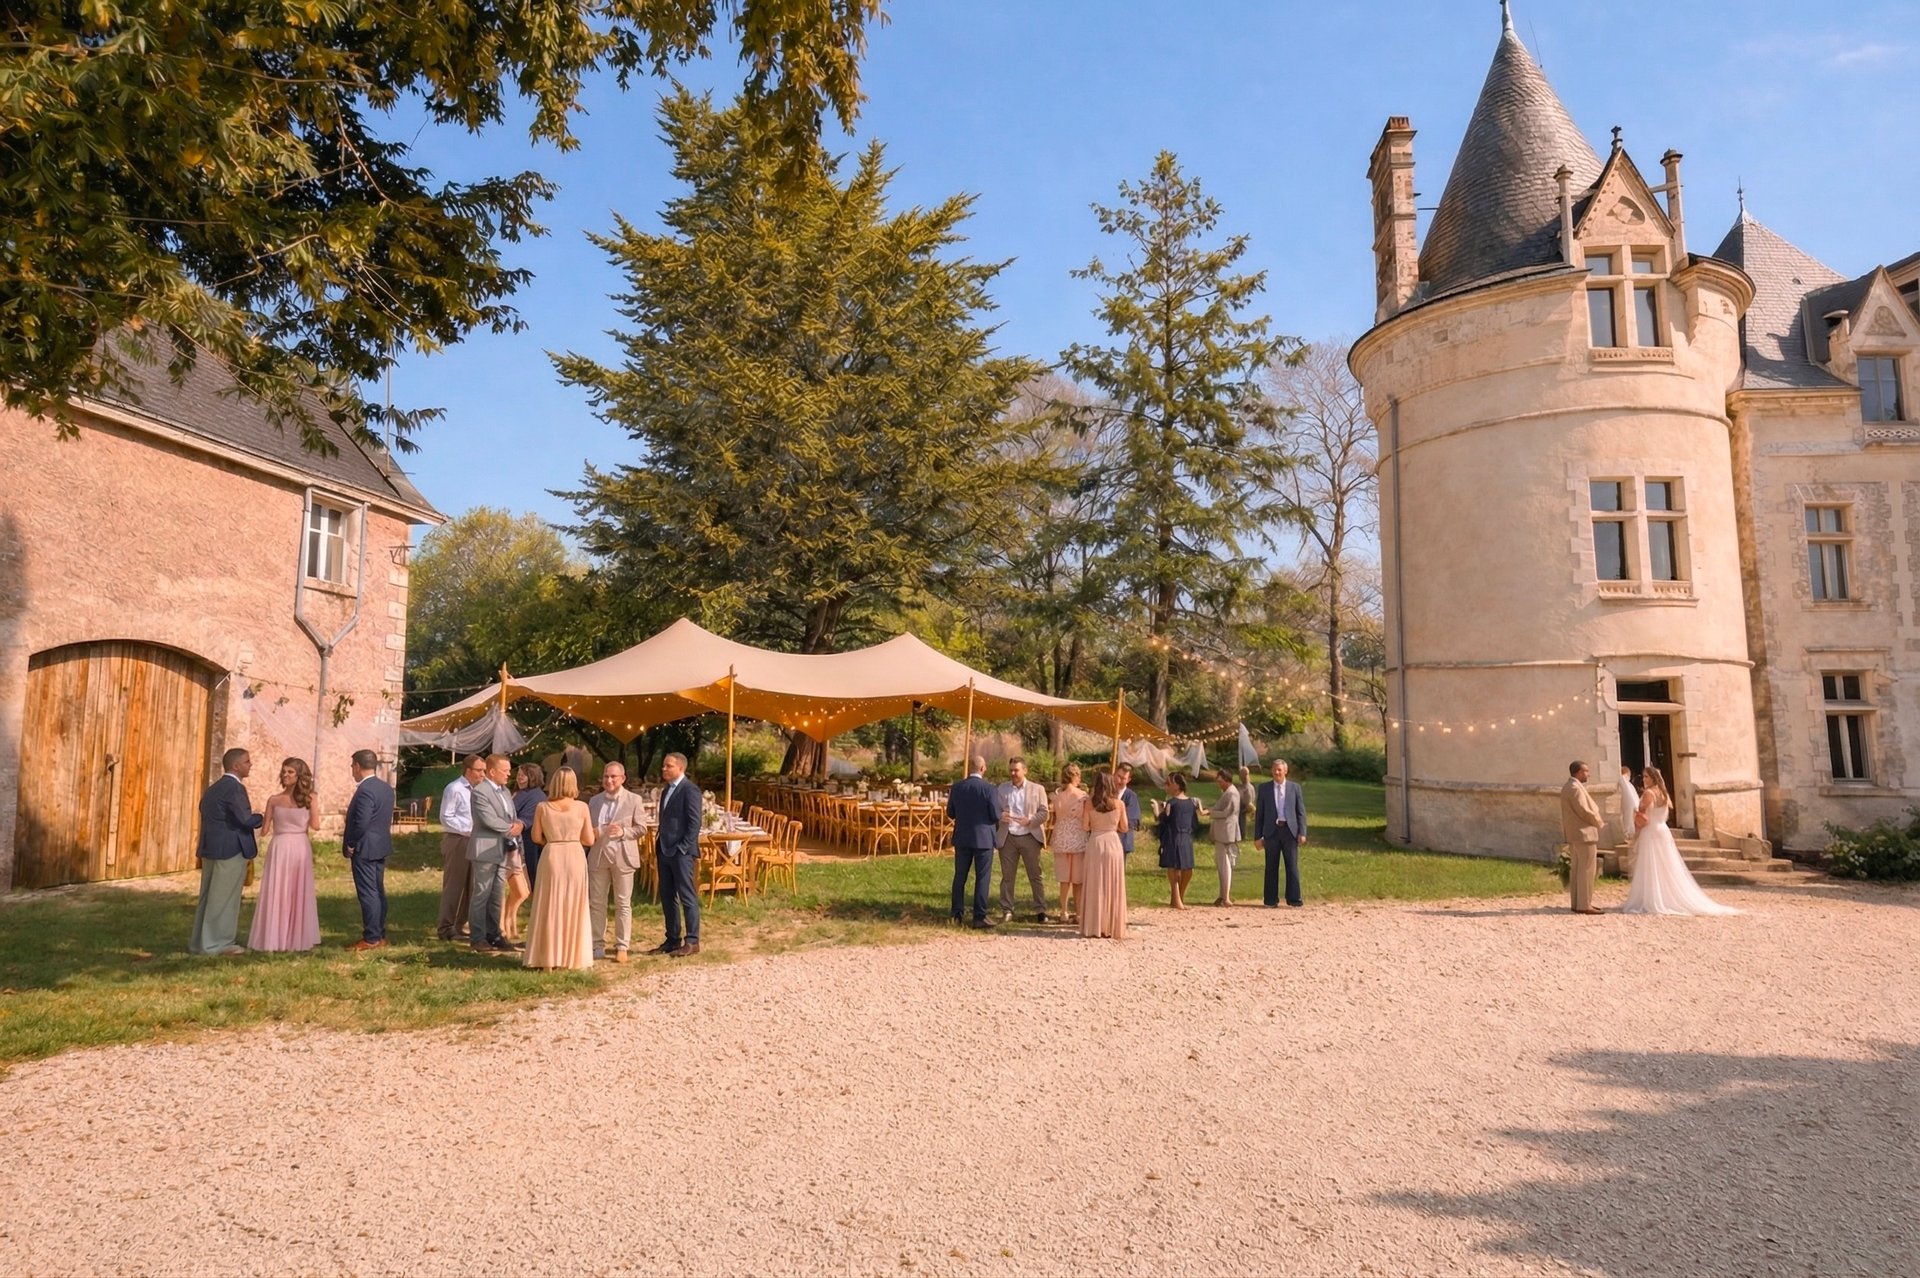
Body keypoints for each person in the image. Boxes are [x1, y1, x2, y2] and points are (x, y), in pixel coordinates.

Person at [1621, 766, 1739, 917]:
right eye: (1643, 777)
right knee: (1665, 865)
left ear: (1653, 778)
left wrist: (1635, 817)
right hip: (1662, 830)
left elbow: (1644, 818)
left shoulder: (1648, 793)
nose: (1644, 780)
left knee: (1652, 864)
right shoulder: (1663, 793)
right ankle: (1664, 895)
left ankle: (1654, 898)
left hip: (1651, 832)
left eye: (1646, 777)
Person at [189, 748, 262, 955]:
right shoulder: (235, 789)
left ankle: (200, 942)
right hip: (230, 849)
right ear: (235, 766)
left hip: (211, 848)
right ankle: (218, 943)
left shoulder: (214, 788)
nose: (251, 764)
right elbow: (245, 819)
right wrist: (263, 817)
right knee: (224, 899)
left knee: (208, 897)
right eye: (247, 761)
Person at [523, 766, 597, 969]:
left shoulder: (542, 807)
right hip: (574, 854)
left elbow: (536, 837)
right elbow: (589, 839)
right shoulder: (582, 807)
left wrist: (552, 837)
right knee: (574, 904)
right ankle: (570, 958)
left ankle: (547, 959)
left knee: (549, 904)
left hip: (552, 853)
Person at [247, 757, 321, 952]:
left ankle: (293, 936)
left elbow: (316, 825)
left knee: (296, 889)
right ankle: (277, 936)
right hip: (283, 845)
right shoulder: (274, 799)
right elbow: (264, 830)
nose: (285, 775)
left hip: (295, 847)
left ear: (299, 776)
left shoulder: (310, 798)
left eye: (290, 772)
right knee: (278, 889)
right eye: (284, 771)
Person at [587, 762, 647, 963]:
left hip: (623, 856)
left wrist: (623, 832)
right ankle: (597, 944)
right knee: (596, 903)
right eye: (606, 776)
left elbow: (642, 828)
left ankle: (622, 945)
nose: (609, 780)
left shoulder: (634, 800)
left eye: (613, 777)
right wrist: (595, 832)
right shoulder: (594, 801)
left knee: (623, 903)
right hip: (598, 855)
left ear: (622, 778)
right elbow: (587, 831)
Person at [467, 754, 524, 953]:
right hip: (485, 849)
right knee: (482, 893)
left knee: (497, 894)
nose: (509, 773)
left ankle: (495, 934)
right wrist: (511, 828)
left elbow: (511, 814)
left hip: (502, 849)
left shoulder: (506, 791)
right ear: (492, 771)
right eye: (505, 770)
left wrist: (516, 825)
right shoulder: (480, 792)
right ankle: (477, 937)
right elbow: (487, 818)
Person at [341, 749, 394, 951]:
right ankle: (379, 934)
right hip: (380, 844)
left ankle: (371, 937)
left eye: (352, 766)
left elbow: (361, 822)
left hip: (365, 847)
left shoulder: (365, 790)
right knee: (378, 891)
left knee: (368, 893)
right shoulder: (385, 788)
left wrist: (352, 843)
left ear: (356, 766)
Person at [653, 752, 702, 957]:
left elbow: (694, 823)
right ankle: (672, 938)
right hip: (665, 850)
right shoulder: (666, 791)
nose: (664, 769)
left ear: (680, 768)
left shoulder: (690, 790)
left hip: (680, 852)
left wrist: (683, 847)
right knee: (667, 896)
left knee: (686, 895)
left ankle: (692, 940)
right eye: (664, 765)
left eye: (668, 766)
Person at [996, 757, 1051, 923]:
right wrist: (1000, 816)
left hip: (1029, 836)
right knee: (1007, 876)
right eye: (1011, 770)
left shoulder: (1037, 789)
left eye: (1016, 770)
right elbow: (994, 810)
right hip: (1008, 837)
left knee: (1035, 875)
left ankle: (1041, 910)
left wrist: (1031, 820)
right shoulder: (1002, 789)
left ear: (1025, 771)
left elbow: (1044, 812)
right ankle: (1007, 909)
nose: (1013, 773)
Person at [947, 755, 999, 929]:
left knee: (959, 876)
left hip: (962, 837)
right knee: (982, 877)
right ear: (983, 768)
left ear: (970, 768)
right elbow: (995, 814)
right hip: (983, 839)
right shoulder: (989, 789)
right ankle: (979, 915)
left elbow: (950, 813)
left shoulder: (957, 787)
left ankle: (956, 914)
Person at [1078, 768, 1130, 939]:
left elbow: (1085, 827)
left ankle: (1094, 925)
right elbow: (1125, 827)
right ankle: (1111, 925)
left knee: (1095, 884)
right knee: (1113, 884)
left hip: (1095, 843)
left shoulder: (1089, 803)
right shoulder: (1119, 804)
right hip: (1113, 843)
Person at [437, 755, 483, 940]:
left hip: (474, 841)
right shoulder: (455, 789)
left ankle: (461, 924)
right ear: (468, 770)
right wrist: (467, 830)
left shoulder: (478, 790)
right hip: (458, 839)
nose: (483, 774)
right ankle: (445, 927)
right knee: (454, 885)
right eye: (480, 770)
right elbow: (446, 816)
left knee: (471, 885)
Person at [1254, 758, 1308, 908]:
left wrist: (1302, 832)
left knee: (1291, 866)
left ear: (1285, 771)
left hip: (1289, 831)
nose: (1277, 772)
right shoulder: (1264, 788)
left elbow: (1301, 812)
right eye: (1275, 769)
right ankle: (1270, 900)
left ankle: (1294, 899)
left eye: (1280, 770)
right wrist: (1258, 837)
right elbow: (1260, 814)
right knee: (1271, 866)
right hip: (1271, 832)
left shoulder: (1294, 788)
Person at [1559, 760, 1605, 915]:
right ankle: (1584, 904)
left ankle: (1577, 903)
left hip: (1575, 835)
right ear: (1578, 772)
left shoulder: (1567, 787)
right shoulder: (1575, 788)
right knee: (1586, 870)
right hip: (1584, 834)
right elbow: (1583, 810)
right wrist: (1598, 821)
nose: (1588, 774)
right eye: (1586, 771)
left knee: (1578, 869)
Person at [1050, 763, 1090, 923]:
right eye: (1078, 775)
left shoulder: (1057, 796)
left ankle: (1064, 911)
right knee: (1077, 879)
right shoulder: (1082, 796)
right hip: (1077, 837)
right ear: (1075, 776)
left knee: (1064, 879)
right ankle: (1079, 912)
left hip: (1061, 836)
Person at [1155, 772, 1200, 909]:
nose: (1166, 786)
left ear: (1177, 785)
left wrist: (1157, 812)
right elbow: (1165, 821)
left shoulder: (1179, 803)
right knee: (1176, 868)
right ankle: (1177, 899)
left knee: (1184, 869)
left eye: (1169, 783)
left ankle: (1178, 897)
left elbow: (1165, 820)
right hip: (1178, 837)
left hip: (1180, 837)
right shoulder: (1178, 803)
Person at [1208, 767, 1243, 906]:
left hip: (1227, 833)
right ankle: (1222, 895)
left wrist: (1210, 813)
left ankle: (1226, 897)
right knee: (1222, 864)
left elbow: (1227, 812)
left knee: (1225, 865)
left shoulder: (1232, 793)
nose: (1219, 783)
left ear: (1227, 780)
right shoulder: (1228, 792)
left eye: (1220, 781)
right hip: (1223, 832)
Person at [513, 762, 548, 885]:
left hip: (527, 839)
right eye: (518, 775)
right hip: (527, 839)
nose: (519, 778)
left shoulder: (532, 795)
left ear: (533, 777)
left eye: (523, 775)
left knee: (530, 872)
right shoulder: (528, 793)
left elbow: (517, 816)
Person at [1113, 762, 1142, 858]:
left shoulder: (1131, 797)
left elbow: (1131, 820)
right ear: (1114, 774)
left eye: (1123, 778)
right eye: (1118, 776)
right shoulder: (1105, 793)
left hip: (1122, 840)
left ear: (1128, 780)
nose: (1119, 780)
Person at [1616, 765, 1640, 849]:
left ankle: (1629, 835)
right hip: (1629, 804)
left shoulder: (1628, 784)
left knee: (1628, 819)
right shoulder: (1624, 781)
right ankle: (1628, 835)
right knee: (1627, 819)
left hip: (1629, 804)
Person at [1235, 764, 1256, 846]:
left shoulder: (1248, 788)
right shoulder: (1241, 786)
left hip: (1244, 808)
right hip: (1239, 807)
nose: (1240, 776)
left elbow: (1249, 802)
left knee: (1241, 820)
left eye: (1241, 774)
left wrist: (1244, 810)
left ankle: (1242, 836)